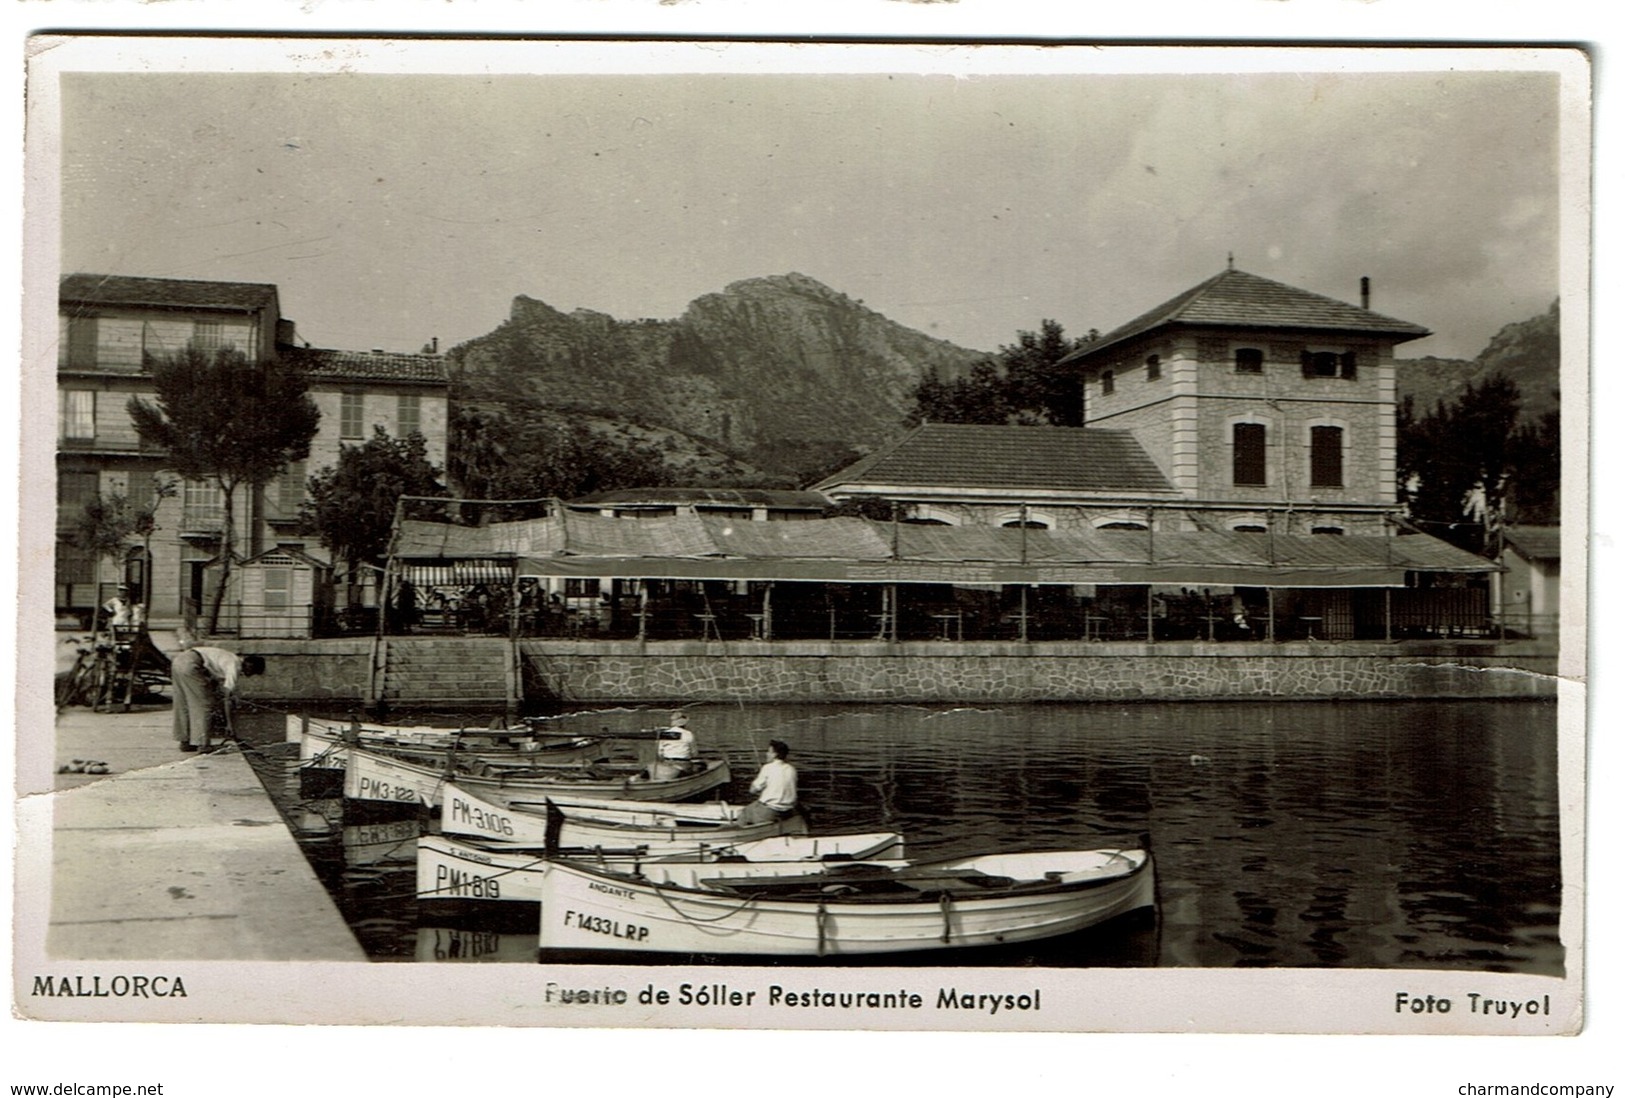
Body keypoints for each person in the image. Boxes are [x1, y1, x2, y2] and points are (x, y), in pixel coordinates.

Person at [171, 647, 265, 752]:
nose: (250, 676)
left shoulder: (230, 658)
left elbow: (213, 679)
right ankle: (203, 745)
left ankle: (185, 741)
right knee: (205, 705)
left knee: (184, 703)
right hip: (191, 665)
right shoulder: (235, 666)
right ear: (250, 666)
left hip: (179, 660)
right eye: (253, 672)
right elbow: (227, 700)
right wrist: (229, 725)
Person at [739, 739, 798, 825]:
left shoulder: (767, 768)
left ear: (775, 755)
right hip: (788, 810)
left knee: (744, 813)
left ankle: (741, 834)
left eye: (769, 752)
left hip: (769, 810)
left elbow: (752, 790)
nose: (767, 754)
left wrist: (755, 784)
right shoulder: (792, 769)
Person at [649, 711, 700, 779]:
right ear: (684, 723)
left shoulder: (665, 734)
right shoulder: (688, 734)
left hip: (667, 762)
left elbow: (660, 753)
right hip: (683, 763)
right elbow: (694, 753)